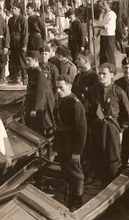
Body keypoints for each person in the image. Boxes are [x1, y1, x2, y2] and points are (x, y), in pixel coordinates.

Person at [87, 63, 129, 184]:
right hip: (97, 127)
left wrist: (121, 129)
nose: (101, 76)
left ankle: (112, 183)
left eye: (104, 74)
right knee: (97, 155)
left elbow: (127, 113)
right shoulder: (93, 91)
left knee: (113, 158)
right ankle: (100, 182)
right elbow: (89, 110)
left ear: (112, 75)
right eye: (99, 73)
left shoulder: (118, 92)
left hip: (112, 128)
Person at [54, 77, 87, 211]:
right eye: (57, 87)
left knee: (76, 174)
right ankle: (70, 198)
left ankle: (77, 201)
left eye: (61, 88)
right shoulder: (62, 101)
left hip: (71, 146)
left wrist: (77, 152)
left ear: (69, 87)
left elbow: (81, 131)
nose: (58, 90)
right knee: (66, 171)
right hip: (63, 143)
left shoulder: (75, 104)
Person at [22, 51, 56, 138]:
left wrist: (35, 109)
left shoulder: (40, 73)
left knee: (37, 128)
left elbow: (40, 93)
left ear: (36, 60)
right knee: (30, 125)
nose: (27, 62)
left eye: (29, 60)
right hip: (31, 102)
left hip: (38, 106)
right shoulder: (31, 71)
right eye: (26, 60)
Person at [93, 0, 118, 67]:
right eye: (102, 4)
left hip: (109, 36)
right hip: (103, 36)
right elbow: (100, 26)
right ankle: (103, 67)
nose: (102, 6)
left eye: (104, 4)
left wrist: (96, 26)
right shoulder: (102, 14)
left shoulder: (111, 14)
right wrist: (96, 36)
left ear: (108, 5)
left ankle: (111, 68)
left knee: (109, 54)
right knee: (103, 54)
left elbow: (107, 27)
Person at [8, 4, 27, 83]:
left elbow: (25, 33)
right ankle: (15, 76)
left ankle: (24, 76)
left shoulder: (23, 19)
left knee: (22, 59)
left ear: (19, 9)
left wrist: (24, 44)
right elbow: (8, 32)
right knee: (13, 59)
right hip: (12, 42)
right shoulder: (10, 20)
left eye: (15, 9)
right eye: (12, 8)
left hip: (20, 41)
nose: (13, 10)